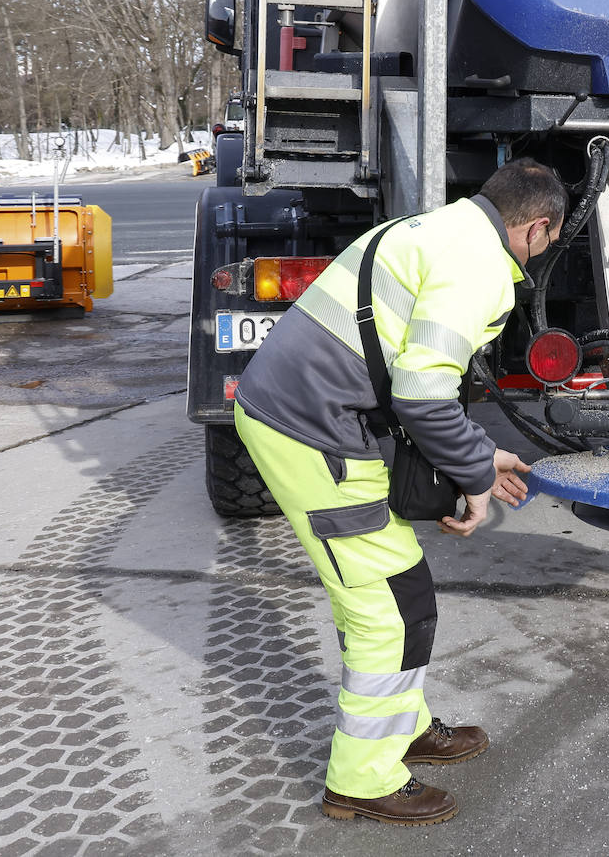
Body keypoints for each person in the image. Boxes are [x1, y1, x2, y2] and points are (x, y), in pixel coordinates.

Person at [231, 159, 567, 825]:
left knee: (405, 588)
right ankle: (361, 778)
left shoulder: (445, 230)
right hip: (306, 425)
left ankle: (402, 727)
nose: (547, 252)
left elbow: (417, 374)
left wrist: (480, 454)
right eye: (552, 240)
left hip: (318, 415)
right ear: (536, 227)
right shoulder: (476, 266)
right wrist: (475, 477)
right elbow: (419, 393)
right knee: (383, 612)